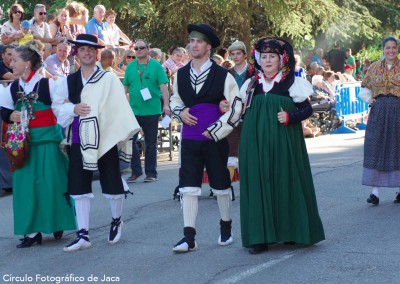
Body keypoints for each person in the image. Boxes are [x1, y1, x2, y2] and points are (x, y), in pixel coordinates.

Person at [52, 34, 139, 251]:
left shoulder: (108, 79)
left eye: (91, 49)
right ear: (77, 53)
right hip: (78, 139)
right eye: (82, 49)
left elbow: (119, 108)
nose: (87, 53)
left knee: (112, 183)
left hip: (105, 139)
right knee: (79, 186)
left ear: (97, 53)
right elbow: (57, 109)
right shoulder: (68, 81)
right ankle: (83, 235)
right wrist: (73, 109)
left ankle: (117, 220)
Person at [239, 36, 325, 254]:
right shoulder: (251, 84)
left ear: (281, 59)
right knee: (259, 183)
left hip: (284, 142)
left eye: (272, 57)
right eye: (264, 56)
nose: (267, 61)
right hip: (255, 142)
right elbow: (238, 112)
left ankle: (291, 232)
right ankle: (259, 238)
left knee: (286, 181)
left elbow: (307, 110)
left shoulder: (291, 83)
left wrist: (290, 117)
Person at [169, 23, 242, 253]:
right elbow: (175, 100)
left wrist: (219, 128)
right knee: (188, 186)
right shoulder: (180, 74)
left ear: (209, 46)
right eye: (191, 41)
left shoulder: (223, 75)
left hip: (215, 138)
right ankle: (188, 237)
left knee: (220, 184)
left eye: (199, 41)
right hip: (190, 138)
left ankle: (225, 226)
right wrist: (180, 112)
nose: (193, 45)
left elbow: (237, 106)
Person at [0, 43, 76, 248]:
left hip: (48, 142)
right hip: (23, 146)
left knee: (52, 184)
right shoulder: (13, 88)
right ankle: (32, 232)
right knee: (25, 188)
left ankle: (57, 222)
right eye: (11, 60)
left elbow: (62, 109)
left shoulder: (49, 85)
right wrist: (10, 115)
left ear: (27, 63)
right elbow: (4, 110)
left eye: (15, 60)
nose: (11, 63)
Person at [358, 36, 400, 205]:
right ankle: (374, 192)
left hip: (398, 110)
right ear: (383, 49)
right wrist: (369, 99)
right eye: (388, 47)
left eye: (394, 47)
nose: (391, 51)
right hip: (379, 111)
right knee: (375, 148)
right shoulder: (374, 68)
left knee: (397, 147)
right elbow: (364, 87)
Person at [123, 39, 170, 183]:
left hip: (151, 110)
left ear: (148, 49)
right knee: (131, 140)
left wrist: (166, 105)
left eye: (141, 48)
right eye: (136, 48)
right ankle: (136, 171)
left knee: (150, 143)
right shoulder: (131, 67)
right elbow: (125, 89)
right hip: (134, 110)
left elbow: (163, 86)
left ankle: (151, 173)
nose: (138, 50)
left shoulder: (156, 66)